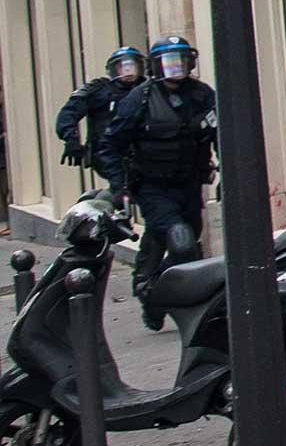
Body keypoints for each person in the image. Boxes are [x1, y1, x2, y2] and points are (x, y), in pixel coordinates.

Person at [104, 37, 216, 330]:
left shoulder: (202, 95)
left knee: (169, 237)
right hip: (152, 185)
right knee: (181, 241)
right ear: (155, 66)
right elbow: (110, 145)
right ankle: (157, 297)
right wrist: (119, 186)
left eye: (181, 61)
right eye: (168, 63)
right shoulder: (139, 99)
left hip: (190, 183)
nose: (175, 69)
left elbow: (222, 134)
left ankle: (146, 282)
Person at [55, 47, 143, 197]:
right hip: (109, 154)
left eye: (132, 66)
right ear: (114, 69)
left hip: (144, 152)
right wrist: (71, 139)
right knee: (121, 189)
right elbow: (69, 113)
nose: (128, 72)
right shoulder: (101, 90)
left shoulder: (148, 89)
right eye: (123, 67)